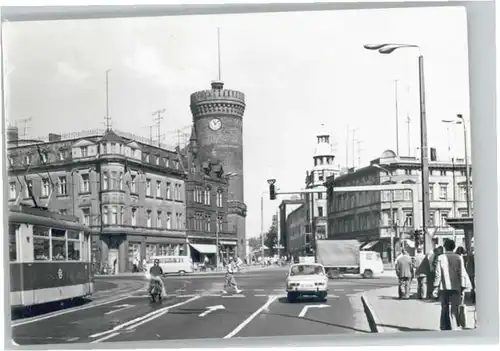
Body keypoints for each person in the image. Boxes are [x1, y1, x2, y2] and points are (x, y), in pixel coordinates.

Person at [433, 239, 471, 330]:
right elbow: (462, 272)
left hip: (444, 287)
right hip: (456, 286)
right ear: (453, 247)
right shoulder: (458, 257)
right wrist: (463, 286)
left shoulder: (440, 257)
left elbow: (438, 274)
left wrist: (435, 286)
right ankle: (454, 326)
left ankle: (444, 326)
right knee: (455, 308)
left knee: (444, 307)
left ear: (445, 247)